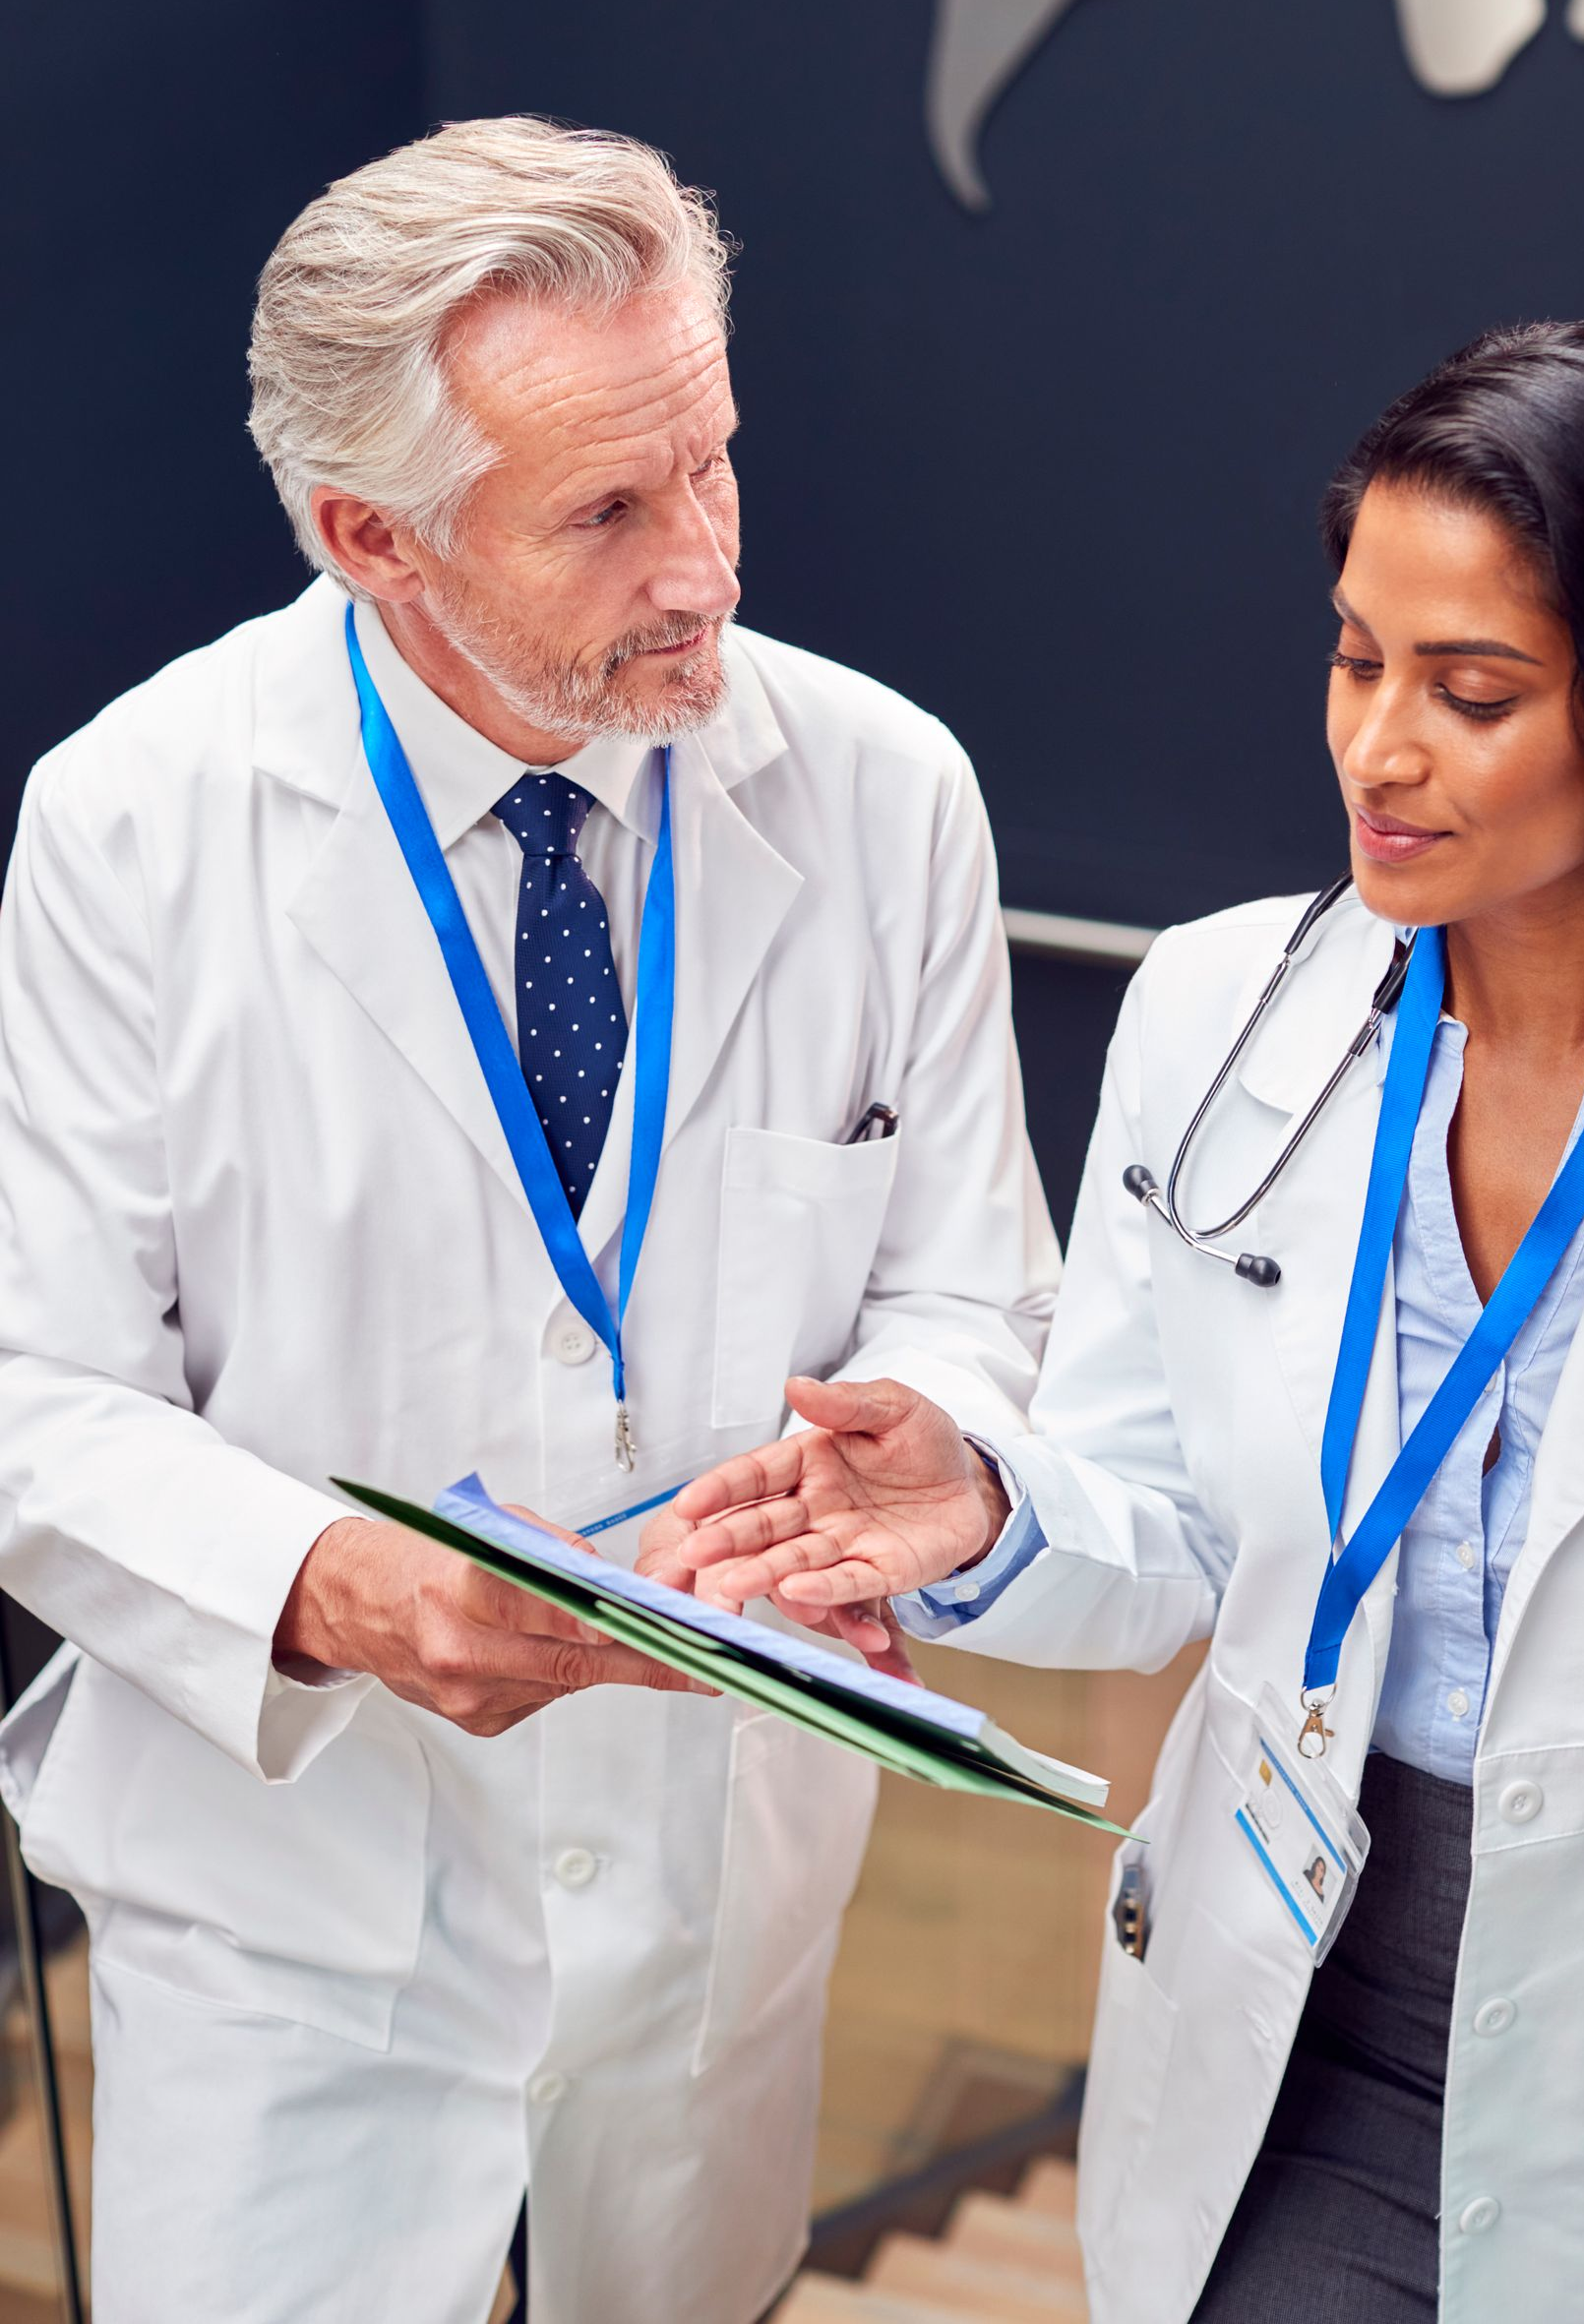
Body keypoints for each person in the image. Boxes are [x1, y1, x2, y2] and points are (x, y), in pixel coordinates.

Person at [0, 117, 1057, 2324]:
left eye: (715, 461)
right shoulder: (129, 827)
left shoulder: (886, 791)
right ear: (373, 537)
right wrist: (341, 1589)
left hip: (707, 1905)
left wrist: (927, 1443)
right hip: (296, 1923)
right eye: (606, 510)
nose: (708, 565)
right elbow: (37, 1396)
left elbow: (971, 1284)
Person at [674, 322, 1584, 2323]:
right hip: (1304, 1982)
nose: (1377, 747)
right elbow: (1168, 1532)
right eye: (1356, 659)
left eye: (1473, 690)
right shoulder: (1216, 1018)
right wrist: (984, 1517)